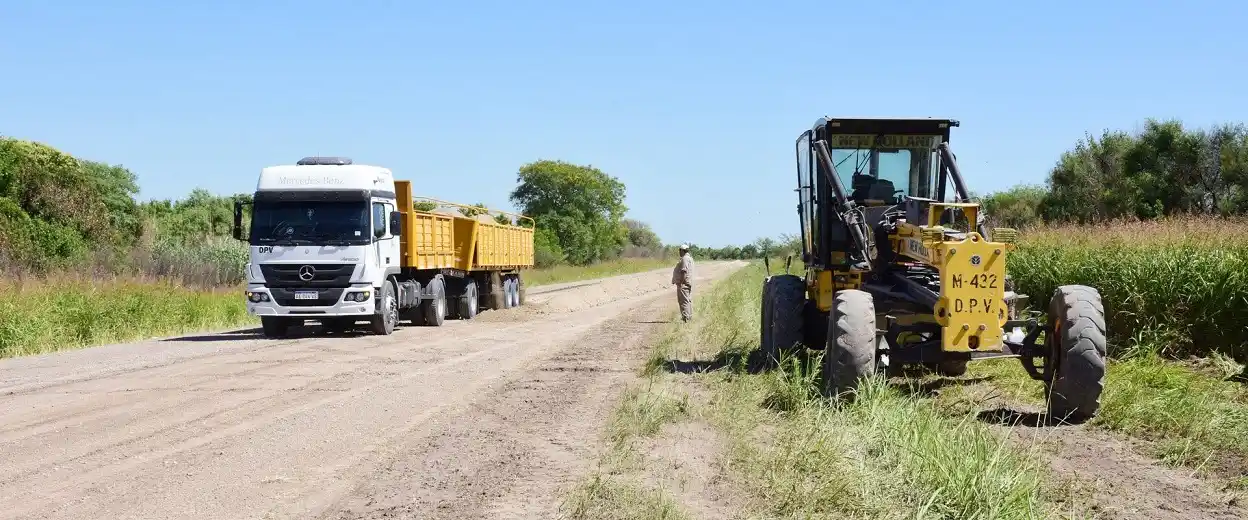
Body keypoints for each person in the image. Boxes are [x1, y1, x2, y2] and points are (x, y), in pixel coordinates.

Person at [671, 244, 695, 322]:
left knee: (683, 301)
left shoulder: (685, 258)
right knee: (688, 301)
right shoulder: (690, 258)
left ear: (682, 250)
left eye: (680, 250)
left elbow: (684, 271)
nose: (679, 252)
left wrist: (681, 282)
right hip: (688, 282)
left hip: (684, 283)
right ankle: (689, 317)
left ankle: (686, 318)